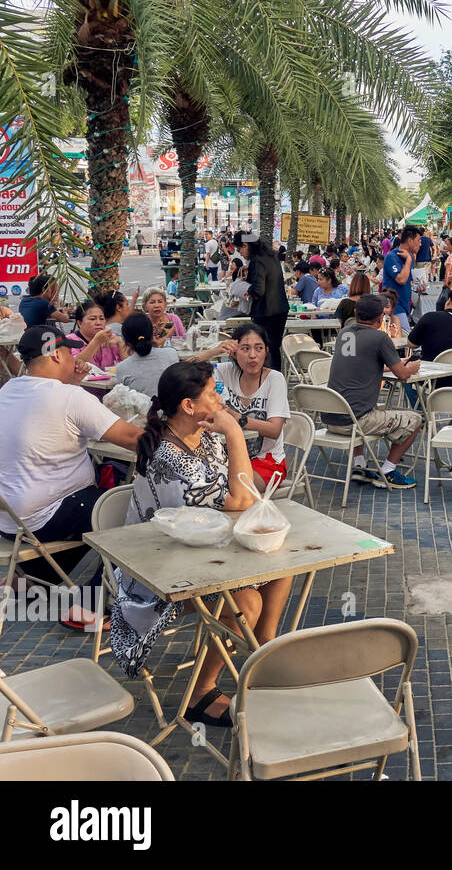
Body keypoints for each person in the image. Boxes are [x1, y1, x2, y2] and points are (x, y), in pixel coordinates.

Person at [110, 361, 291, 727]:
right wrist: (235, 434)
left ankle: (264, 651)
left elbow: (244, 493)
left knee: (281, 565)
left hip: (205, 552)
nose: (220, 397)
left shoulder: (203, 437)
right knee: (247, 601)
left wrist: (226, 437)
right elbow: (240, 501)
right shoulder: (169, 455)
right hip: (157, 571)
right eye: (212, 392)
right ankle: (199, 693)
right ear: (189, 406)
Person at [0, 326, 143, 631]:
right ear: (55, 353)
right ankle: (91, 605)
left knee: (89, 508)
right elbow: (132, 438)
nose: (75, 358)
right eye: (69, 352)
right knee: (124, 506)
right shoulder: (69, 396)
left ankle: (27, 580)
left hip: (10, 520)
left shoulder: (9, 389)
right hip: (44, 517)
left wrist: (71, 383)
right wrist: (183, 435)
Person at [323, 294, 422, 489]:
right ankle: (388, 470)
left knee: (358, 404)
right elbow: (402, 375)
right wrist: (412, 367)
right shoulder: (379, 337)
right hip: (356, 422)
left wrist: (391, 365)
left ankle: (359, 465)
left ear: (355, 313)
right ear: (380, 319)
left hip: (331, 418)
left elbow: (362, 362)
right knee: (416, 419)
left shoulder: (345, 333)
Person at [213, 324, 291, 486]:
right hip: (228, 457)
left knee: (227, 487)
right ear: (234, 352)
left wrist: (237, 417)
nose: (253, 355)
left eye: (259, 348)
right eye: (245, 349)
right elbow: (182, 374)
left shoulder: (275, 379)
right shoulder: (226, 372)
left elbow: (274, 430)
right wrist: (214, 351)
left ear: (266, 352)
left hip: (266, 461)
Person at [408, 285, 452, 388]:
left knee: (405, 368)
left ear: (448, 301)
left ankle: (420, 404)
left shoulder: (430, 317)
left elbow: (411, 344)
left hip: (432, 379)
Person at [241, 232, 290, 372]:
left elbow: (258, 290)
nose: (241, 253)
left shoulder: (257, 261)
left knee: (263, 349)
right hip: (280, 309)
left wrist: (246, 289)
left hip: (265, 311)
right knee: (274, 348)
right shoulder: (271, 255)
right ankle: (277, 381)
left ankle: (265, 383)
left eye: (240, 249)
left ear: (246, 245)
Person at [64, 301, 126, 371]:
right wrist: (96, 341)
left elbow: (129, 364)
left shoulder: (110, 338)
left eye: (102, 319)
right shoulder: (69, 340)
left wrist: (120, 342)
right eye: (92, 319)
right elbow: (75, 365)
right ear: (80, 323)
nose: (98, 323)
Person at [381, 226, 419, 331]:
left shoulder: (409, 256)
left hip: (405, 304)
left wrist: (418, 286)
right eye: (418, 240)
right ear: (410, 241)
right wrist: (408, 260)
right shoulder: (391, 257)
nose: (420, 243)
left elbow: (408, 280)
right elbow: (401, 279)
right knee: (404, 339)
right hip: (394, 306)